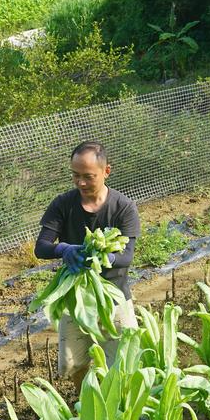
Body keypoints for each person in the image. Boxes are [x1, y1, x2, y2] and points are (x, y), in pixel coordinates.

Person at [34, 141, 140, 386]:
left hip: (113, 297)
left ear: (106, 172)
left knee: (124, 362)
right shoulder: (62, 204)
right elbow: (41, 247)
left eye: (88, 176)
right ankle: (88, 402)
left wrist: (102, 257)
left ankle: (124, 409)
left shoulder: (123, 207)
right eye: (75, 175)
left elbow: (127, 256)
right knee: (71, 364)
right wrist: (64, 248)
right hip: (76, 298)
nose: (80, 182)